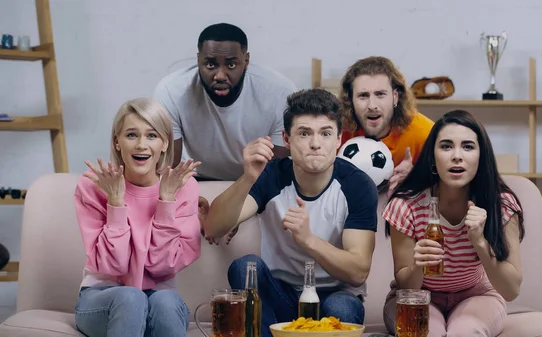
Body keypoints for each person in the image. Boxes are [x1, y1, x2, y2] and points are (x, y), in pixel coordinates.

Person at [203, 88, 379, 336]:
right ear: (286, 139)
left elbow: (357, 272)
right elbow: (214, 227)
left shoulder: (357, 185)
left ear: (339, 139)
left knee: (341, 306)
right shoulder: (272, 175)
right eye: (304, 133)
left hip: (335, 297)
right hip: (281, 296)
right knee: (244, 267)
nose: (316, 144)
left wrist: (308, 240)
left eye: (326, 133)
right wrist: (248, 178)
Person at [381, 110, 525, 336]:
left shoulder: (502, 205)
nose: (457, 156)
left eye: (468, 147)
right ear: (432, 156)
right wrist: (419, 264)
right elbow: (407, 286)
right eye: (446, 146)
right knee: (426, 332)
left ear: (481, 156)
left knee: (465, 332)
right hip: (417, 295)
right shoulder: (405, 205)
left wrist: (479, 242)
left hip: (476, 295)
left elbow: (511, 290)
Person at [73, 98, 202, 337]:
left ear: (165, 143)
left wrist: (166, 201)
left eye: (152, 135)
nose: (141, 145)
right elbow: (113, 265)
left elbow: (163, 266)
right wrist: (116, 204)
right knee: (131, 297)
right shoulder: (93, 185)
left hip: (159, 298)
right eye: (131, 135)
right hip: (102, 298)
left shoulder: (183, 187)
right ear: (117, 142)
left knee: (164, 302)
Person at [154, 22, 297, 182]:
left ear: (246, 60)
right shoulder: (172, 90)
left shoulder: (279, 92)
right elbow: (168, 167)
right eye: (210, 64)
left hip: (256, 182)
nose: (220, 75)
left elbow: (275, 171)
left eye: (231, 64)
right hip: (197, 179)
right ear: (198, 59)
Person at [338, 56, 434, 196]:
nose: (372, 105)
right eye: (363, 96)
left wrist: (416, 177)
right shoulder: (337, 132)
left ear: (395, 97)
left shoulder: (424, 133)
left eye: (380, 94)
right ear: (350, 100)